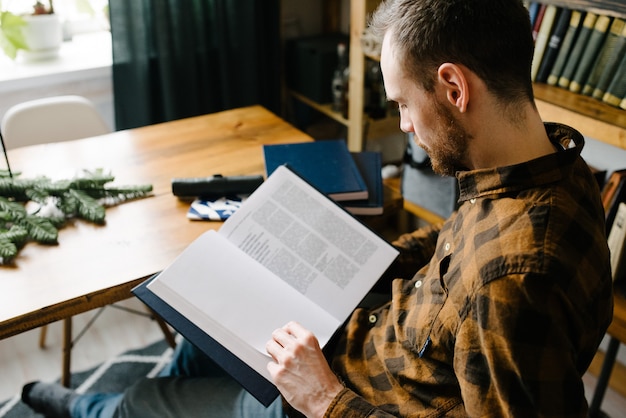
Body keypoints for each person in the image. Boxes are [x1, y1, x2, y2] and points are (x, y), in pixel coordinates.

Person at [22, 0, 613, 416]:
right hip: (363, 338)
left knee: (145, 403)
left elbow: (490, 282)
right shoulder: (547, 164)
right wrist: (363, 256)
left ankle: (91, 407)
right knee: (199, 337)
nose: (405, 126)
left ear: (454, 89)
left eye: (403, 103)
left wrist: (322, 398)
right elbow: (454, 252)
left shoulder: (513, 281)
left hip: (334, 397)